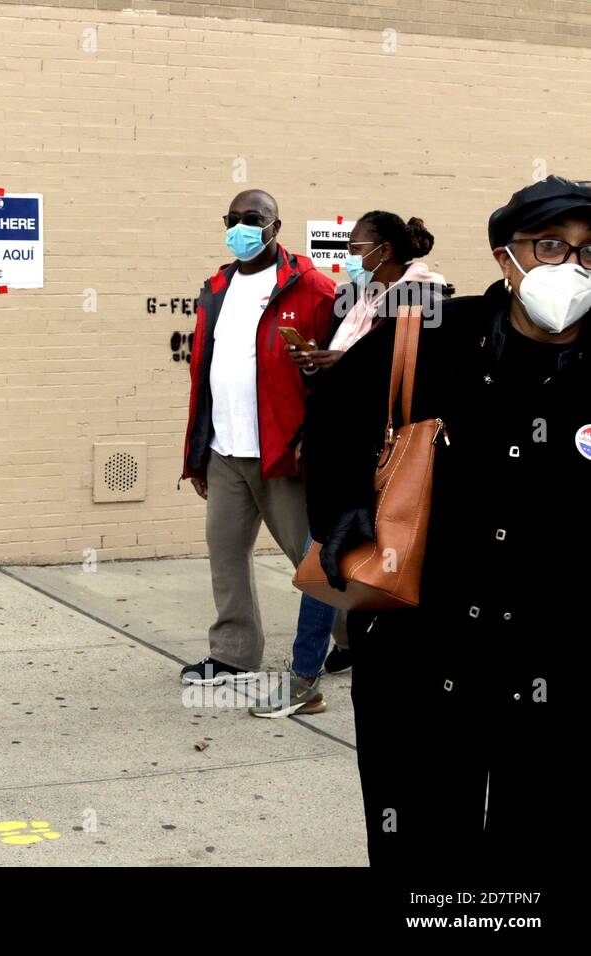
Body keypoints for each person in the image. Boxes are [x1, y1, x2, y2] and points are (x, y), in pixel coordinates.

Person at [302, 175, 588, 866]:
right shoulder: (428, 334)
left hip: (557, 653)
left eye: (590, 251)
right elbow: (334, 419)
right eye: (550, 245)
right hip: (421, 650)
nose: (573, 267)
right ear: (505, 256)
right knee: (422, 841)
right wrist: (343, 505)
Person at [179, 189, 338, 716]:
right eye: (233, 219)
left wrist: (317, 432)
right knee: (225, 551)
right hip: (225, 448)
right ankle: (233, 654)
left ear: (275, 225)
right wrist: (198, 451)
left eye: (253, 218)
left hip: (284, 450)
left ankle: (354, 636)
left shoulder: (312, 287)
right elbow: (204, 371)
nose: (241, 227)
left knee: (312, 560)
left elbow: (344, 365)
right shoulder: (217, 287)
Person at [283, 211, 451, 680]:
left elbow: (413, 383)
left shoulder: (425, 300)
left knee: (324, 559)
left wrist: (345, 364)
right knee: (336, 558)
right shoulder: (358, 301)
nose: (350, 258)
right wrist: (318, 363)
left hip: (378, 455)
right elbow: (342, 381)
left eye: (356, 249)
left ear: (385, 251)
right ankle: (348, 648)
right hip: (339, 451)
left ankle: (303, 678)